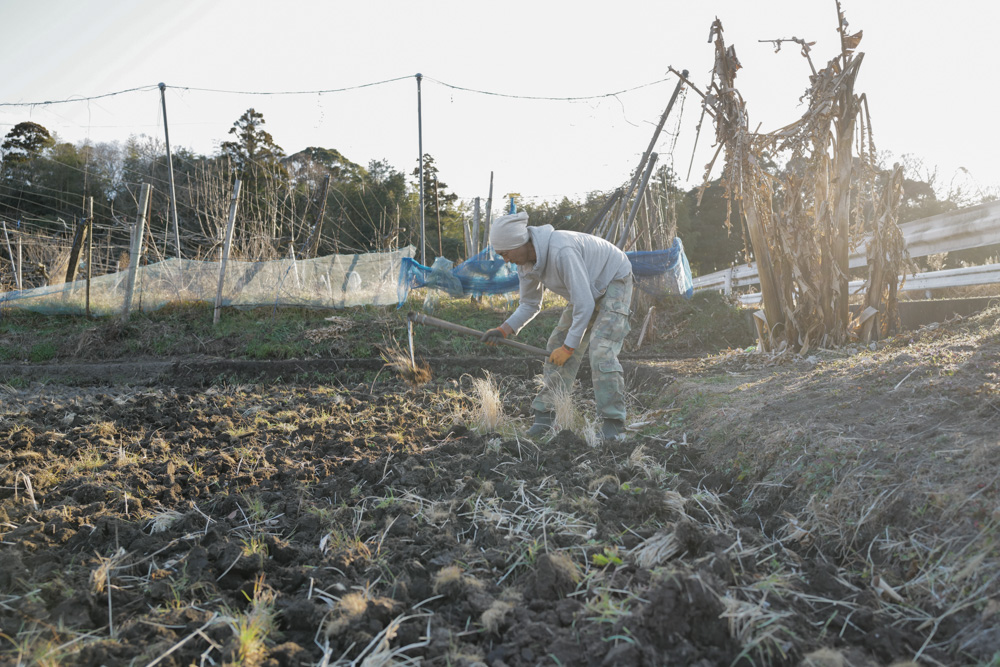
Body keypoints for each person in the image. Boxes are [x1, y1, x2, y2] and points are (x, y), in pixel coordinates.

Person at [480, 211, 634, 442]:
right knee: (556, 346)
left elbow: (583, 304)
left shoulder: (562, 250)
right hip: (587, 290)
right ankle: (545, 416)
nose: (506, 260)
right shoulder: (526, 266)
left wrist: (570, 347)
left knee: (601, 349)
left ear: (519, 243)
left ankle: (613, 423)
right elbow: (530, 304)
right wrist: (504, 329)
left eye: (505, 254)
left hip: (614, 278)